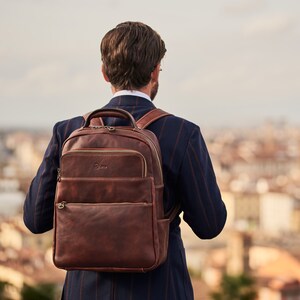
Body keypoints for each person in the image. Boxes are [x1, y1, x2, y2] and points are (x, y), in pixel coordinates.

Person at [23, 21, 227, 300]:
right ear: (155, 71)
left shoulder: (68, 131)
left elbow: (35, 220)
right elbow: (210, 225)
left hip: (84, 292)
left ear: (105, 73)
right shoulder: (182, 133)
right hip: (161, 289)